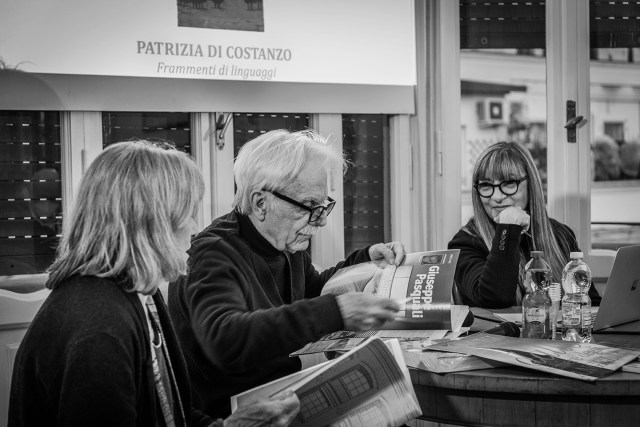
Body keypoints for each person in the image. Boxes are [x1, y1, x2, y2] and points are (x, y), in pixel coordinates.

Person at [9, 140, 300, 427]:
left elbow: (172, 412)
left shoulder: (139, 291)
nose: (195, 228)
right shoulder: (99, 328)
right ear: (149, 224)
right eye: (187, 215)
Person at [169, 129, 405, 418]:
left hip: (285, 399)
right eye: (309, 206)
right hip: (234, 417)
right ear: (260, 203)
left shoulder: (284, 241)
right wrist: (337, 311)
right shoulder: (213, 254)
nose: (320, 221)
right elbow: (226, 339)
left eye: (323, 206)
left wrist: (364, 260)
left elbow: (311, 290)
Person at [448, 141, 601, 308]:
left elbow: (591, 303)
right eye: (486, 185)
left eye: (508, 183)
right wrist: (508, 229)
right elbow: (494, 299)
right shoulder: (465, 242)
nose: (497, 197)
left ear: (530, 185)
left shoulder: (560, 235)